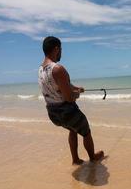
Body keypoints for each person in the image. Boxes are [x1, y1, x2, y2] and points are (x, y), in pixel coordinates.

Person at [38, 36, 104, 165]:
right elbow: (69, 97)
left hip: (52, 113)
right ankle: (93, 157)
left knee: (72, 129)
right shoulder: (58, 69)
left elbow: (60, 84)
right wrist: (77, 93)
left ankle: (75, 159)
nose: (62, 52)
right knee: (86, 131)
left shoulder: (41, 69)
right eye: (61, 49)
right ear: (56, 49)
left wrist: (76, 88)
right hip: (66, 111)